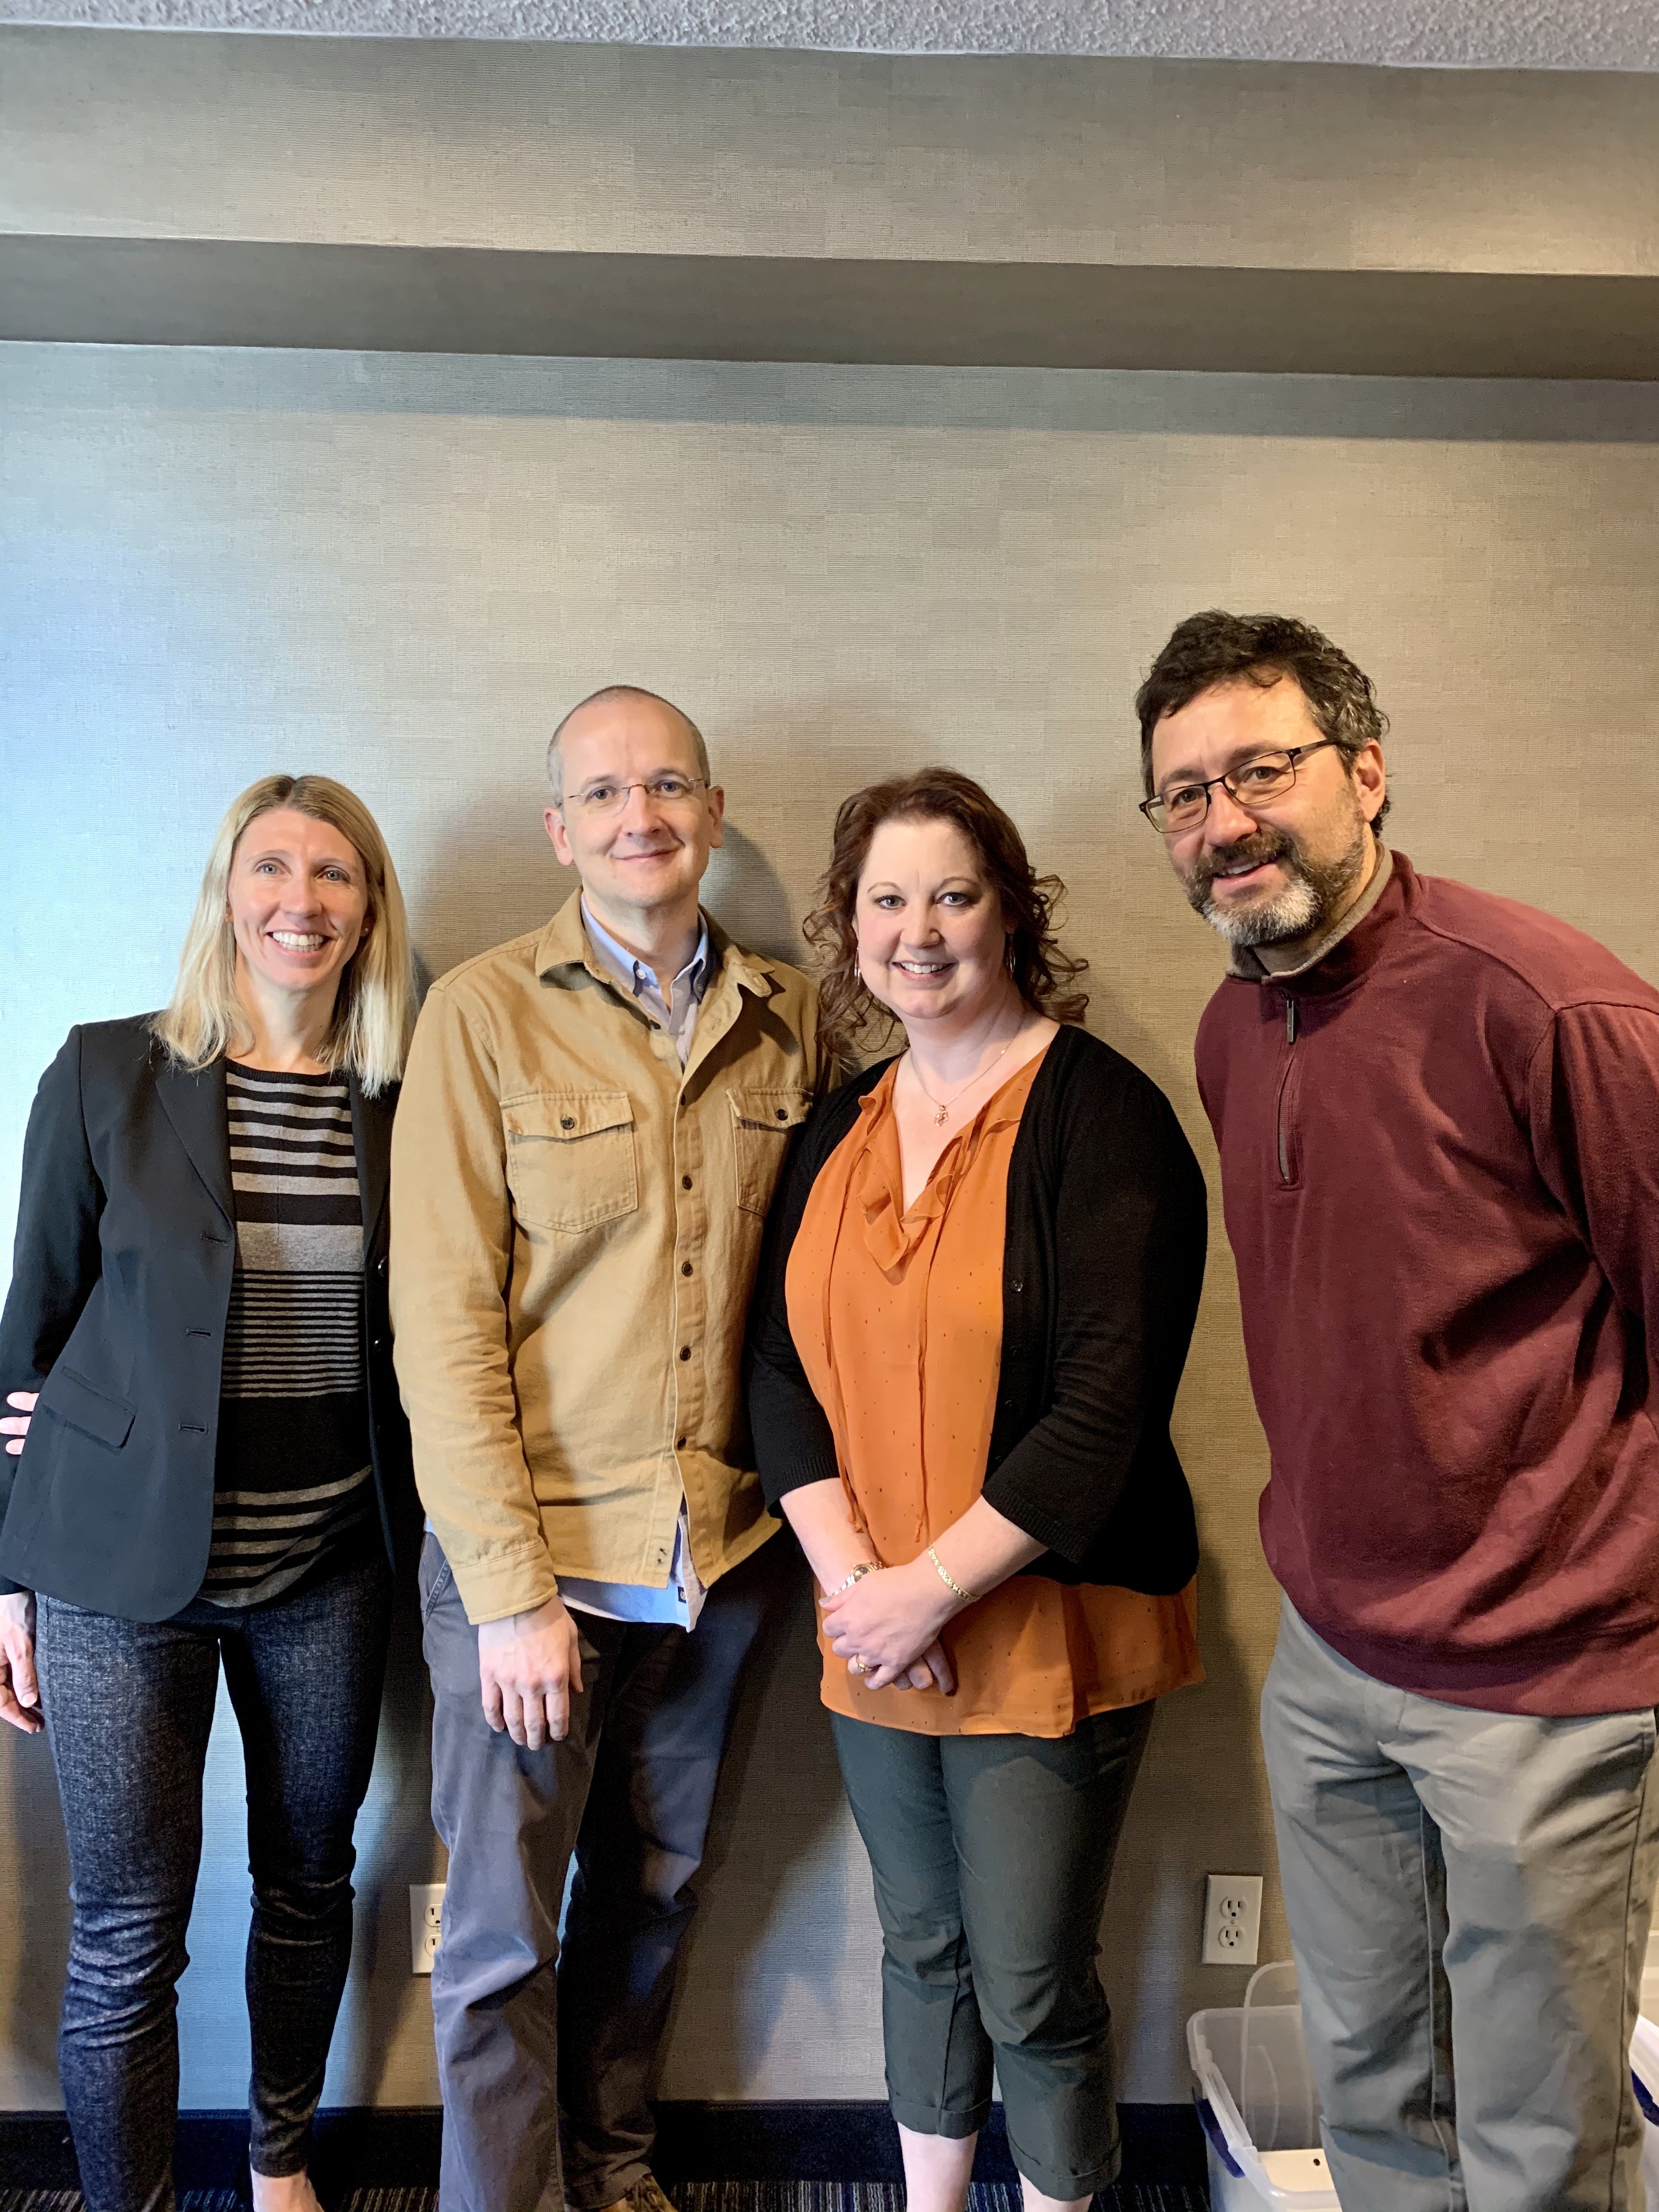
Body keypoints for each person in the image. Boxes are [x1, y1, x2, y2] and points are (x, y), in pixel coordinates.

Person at [1136, 607, 1659, 2211]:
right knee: (1373, 2101)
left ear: (1366, 773)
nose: (1223, 821)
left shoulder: (1549, 1009)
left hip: (1537, 1682)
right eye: (1180, 793)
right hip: (1331, 1661)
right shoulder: (1238, 1027)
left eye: (1261, 769)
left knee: (1540, 2140)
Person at [747, 767, 1207, 2212]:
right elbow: (775, 1372)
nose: (920, 929)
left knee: (1028, 1979)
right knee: (921, 1947)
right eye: (888, 899)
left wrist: (928, 1590)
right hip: (871, 1625)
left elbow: (1106, 1409)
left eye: (954, 893)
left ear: (1013, 913)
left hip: (1039, 1627)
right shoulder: (838, 1126)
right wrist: (858, 1593)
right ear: (852, 924)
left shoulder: (1102, 1117)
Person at [390, 684, 820, 2212]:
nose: (641, 816)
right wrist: (506, 1593)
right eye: (605, 792)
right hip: (536, 1569)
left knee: (655, 1895)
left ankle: (613, 2168)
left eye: (670, 785)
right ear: (559, 829)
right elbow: (440, 1323)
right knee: (503, 1930)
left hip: (725, 1559)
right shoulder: (483, 1014)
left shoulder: (794, 1017)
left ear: (708, 811)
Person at [0, 775, 415, 2212]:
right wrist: (5, 1580)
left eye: (336, 875)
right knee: (127, 1932)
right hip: (117, 1573)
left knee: (309, 1879)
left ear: (371, 910)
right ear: (226, 893)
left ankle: (281, 2159)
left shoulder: (400, 1101)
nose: (301, 901)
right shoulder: (109, 1073)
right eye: (273, 868)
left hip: (330, 1567)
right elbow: (28, 1339)